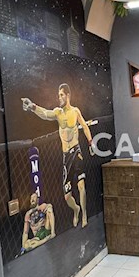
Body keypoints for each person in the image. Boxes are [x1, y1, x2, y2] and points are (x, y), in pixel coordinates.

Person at [21, 83, 93, 228]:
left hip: (76, 151)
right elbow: (45, 114)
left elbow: (85, 126)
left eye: (61, 95)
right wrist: (32, 106)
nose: (59, 97)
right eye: (58, 95)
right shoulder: (58, 113)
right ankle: (76, 209)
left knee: (81, 186)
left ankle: (84, 214)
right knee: (67, 196)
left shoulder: (75, 111)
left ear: (68, 95)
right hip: (66, 156)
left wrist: (91, 142)